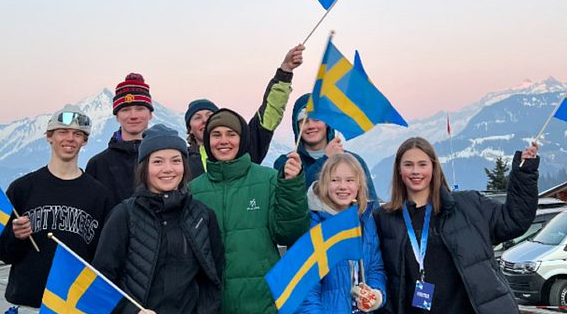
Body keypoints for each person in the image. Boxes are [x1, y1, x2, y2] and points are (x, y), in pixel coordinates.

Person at [374, 137, 539, 314]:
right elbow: (380, 270)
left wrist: (524, 174)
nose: (416, 171)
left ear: (434, 167)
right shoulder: (385, 218)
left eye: (422, 164)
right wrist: (384, 310)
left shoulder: (468, 206)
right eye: (408, 165)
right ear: (398, 170)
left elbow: (514, 221)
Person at [92, 124, 224, 314]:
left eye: (176, 160)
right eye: (158, 161)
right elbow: (100, 283)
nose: (168, 169)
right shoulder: (123, 216)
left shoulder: (202, 216)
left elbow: (215, 276)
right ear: (144, 167)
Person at [0, 105, 115, 314]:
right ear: (49, 136)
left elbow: (104, 259)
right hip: (31, 313)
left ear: (85, 141)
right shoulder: (23, 188)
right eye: (62, 132)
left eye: (78, 134)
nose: (70, 139)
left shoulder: (99, 195)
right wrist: (15, 236)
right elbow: (5, 253)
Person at [189, 109, 309, 314]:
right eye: (216, 135)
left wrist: (292, 187)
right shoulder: (194, 189)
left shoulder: (267, 179)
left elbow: (289, 232)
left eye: (231, 134)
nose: (223, 141)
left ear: (241, 140)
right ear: (206, 141)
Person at [273, 93, 378, 314]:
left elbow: (367, 209)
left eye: (316, 117)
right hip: (310, 275)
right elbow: (290, 212)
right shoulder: (287, 162)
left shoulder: (351, 161)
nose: (310, 124)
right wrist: (322, 164)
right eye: (302, 119)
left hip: (351, 277)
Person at [292, 153, 391, 314]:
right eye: (336, 180)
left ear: (359, 185)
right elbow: (305, 296)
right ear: (324, 183)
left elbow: (376, 267)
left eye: (349, 180)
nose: (343, 187)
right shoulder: (311, 225)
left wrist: (376, 294)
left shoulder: (365, 221)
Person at [184, 44, 305, 179]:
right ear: (190, 129)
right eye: (197, 117)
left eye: (209, 115)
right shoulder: (181, 162)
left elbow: (269, 114)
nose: (205, 120)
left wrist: (285, 71)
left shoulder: (244, 151)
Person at [273, 93, 378, 199]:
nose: (311, 126)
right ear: (296, 127)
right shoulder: (287, 164)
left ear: (327, 123)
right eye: (303, 121)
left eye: (316, 119)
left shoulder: (354, 161)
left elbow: (370, 205)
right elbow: (289, 202)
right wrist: (325, 160)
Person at [86, 72, 154, 203]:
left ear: (150, 114)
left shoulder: (164, 159)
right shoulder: (98, 165)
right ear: (117, 116)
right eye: (125, 109)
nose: (133, 115)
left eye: (140, 109)